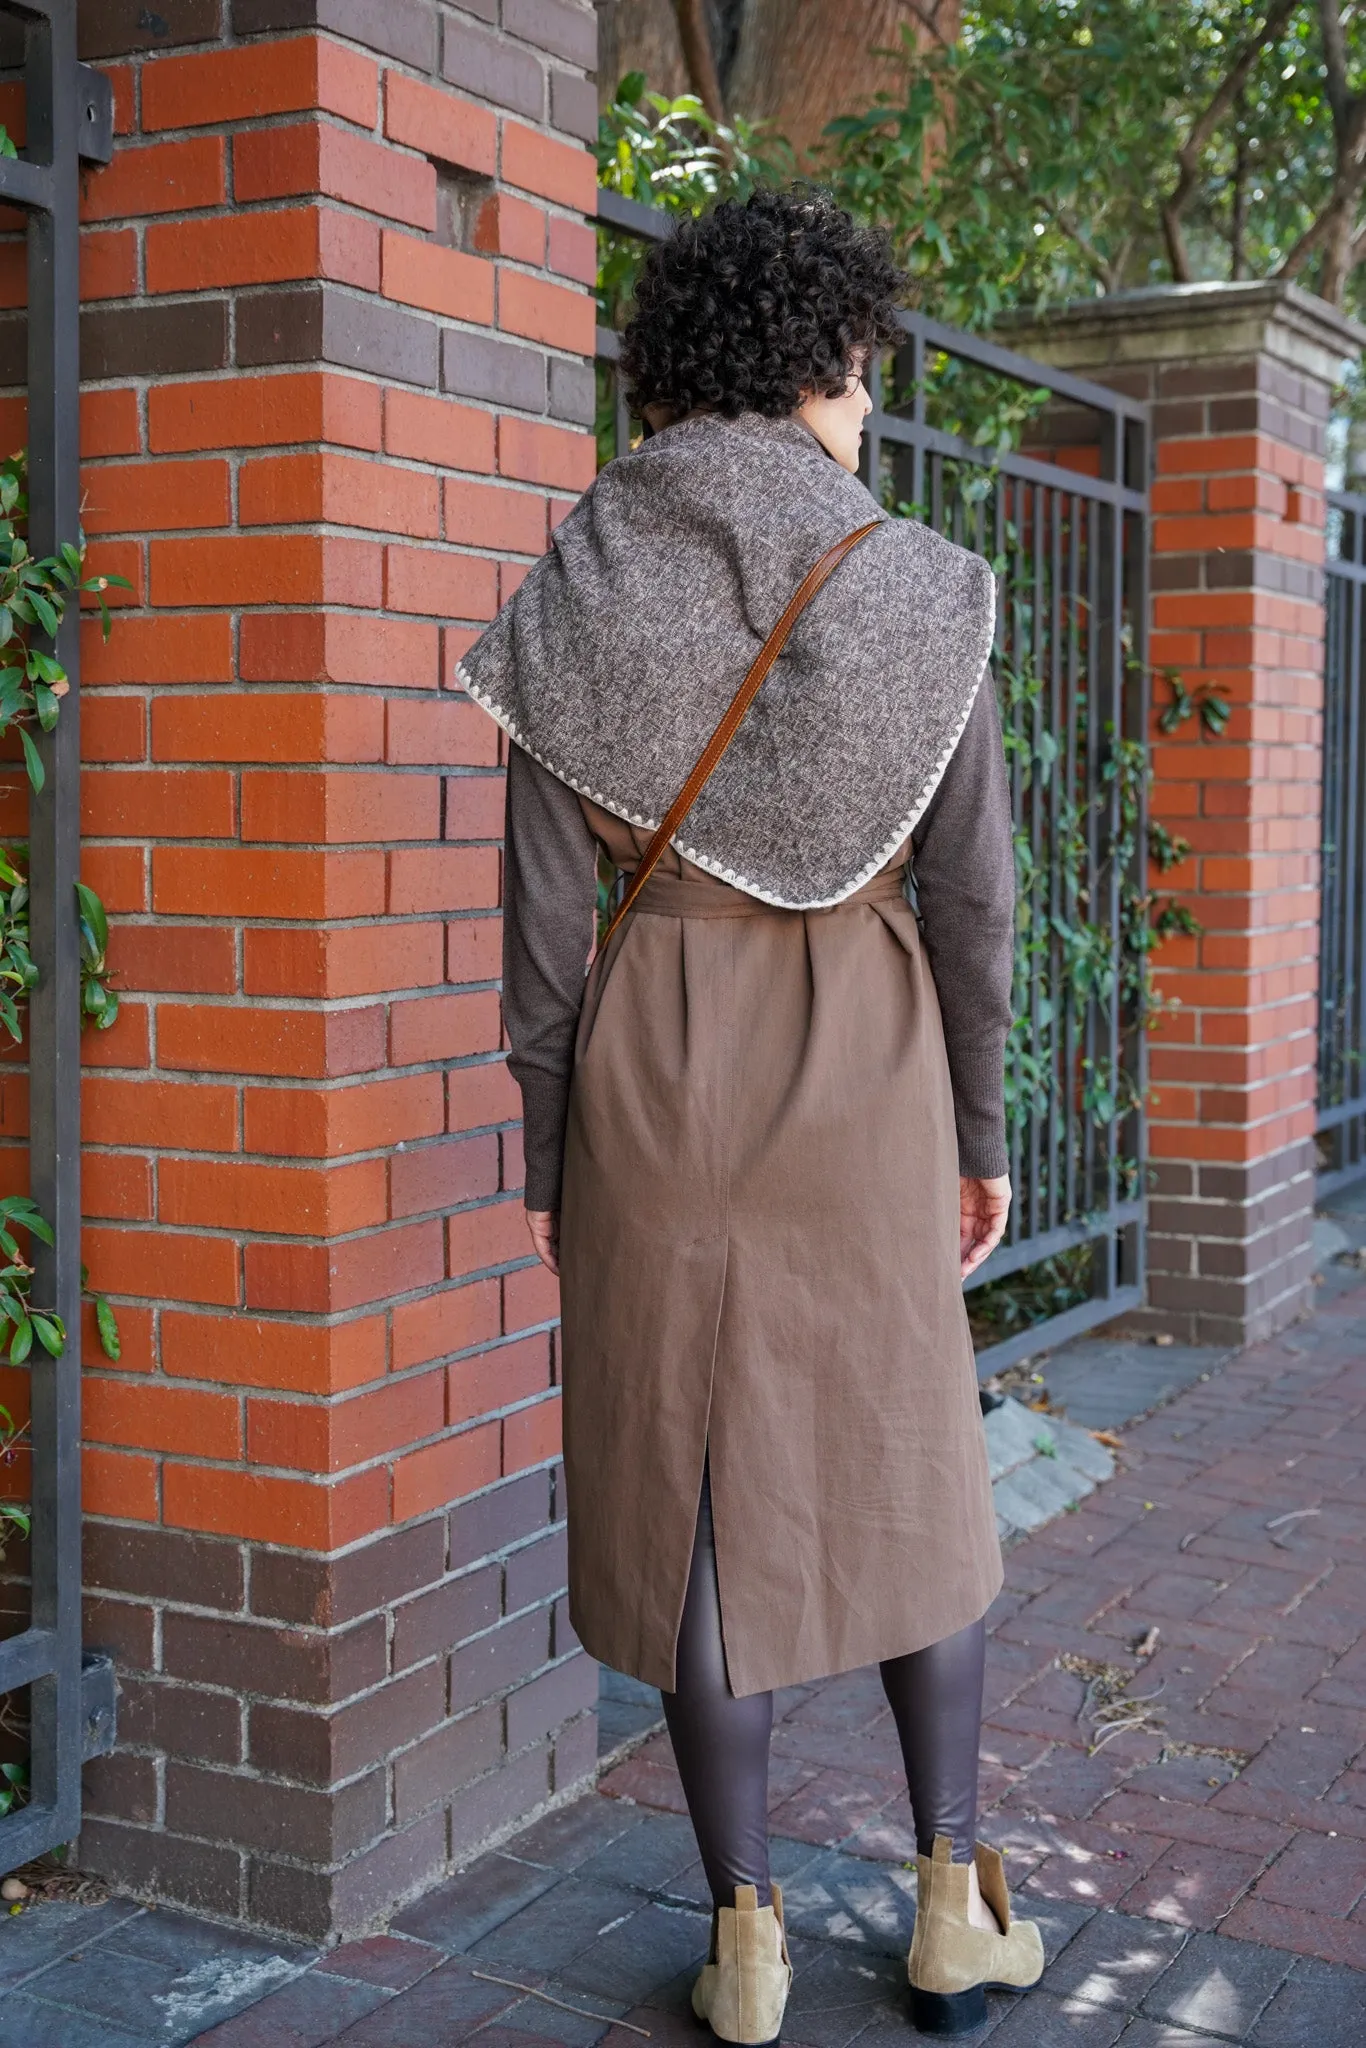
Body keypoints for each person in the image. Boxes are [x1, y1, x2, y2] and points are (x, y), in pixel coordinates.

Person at [459, 186, 1044, 2041]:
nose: (867, 414)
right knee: (909, 1464)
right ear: (821, 365)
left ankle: (747, 1942)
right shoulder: (916, 583)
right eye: (862, 379)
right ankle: (953, 1903)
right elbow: (973, 897)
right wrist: (977, 1123)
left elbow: (540, 929)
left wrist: (552, 1141)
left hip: (648, 1068)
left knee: (695, 1491)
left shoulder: (578, 584)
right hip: (865, 1063)